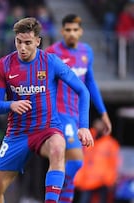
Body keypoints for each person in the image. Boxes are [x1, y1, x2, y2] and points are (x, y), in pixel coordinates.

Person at [0, 17, 94, 203]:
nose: (22, 48)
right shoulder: (4, 65)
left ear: (37, 41)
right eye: (19, 42)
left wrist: (83, 126)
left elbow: (83, 90)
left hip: (47, 129)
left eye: (28, 42)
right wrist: (10, 104)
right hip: (17, 134)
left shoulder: (51, 62)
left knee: (58, 149)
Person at [45, 14, 112, 203]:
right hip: (60, 115)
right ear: (62, 31)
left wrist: (103, 112)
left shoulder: (86, 52)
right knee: (75, 161)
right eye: (68, 30)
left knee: (71, 166)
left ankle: (59, 197)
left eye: (75, 30)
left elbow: (90, 82)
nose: (71, 34)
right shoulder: (52, 53)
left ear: (81, 31)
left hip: (77, 116)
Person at [74, 118, 120, 203]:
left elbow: (114, 163)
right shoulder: (85, 139)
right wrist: (78, 178)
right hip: (87, 180)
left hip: (103, 180)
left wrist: (111, 179)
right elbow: (79, 158)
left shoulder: (111, 144)